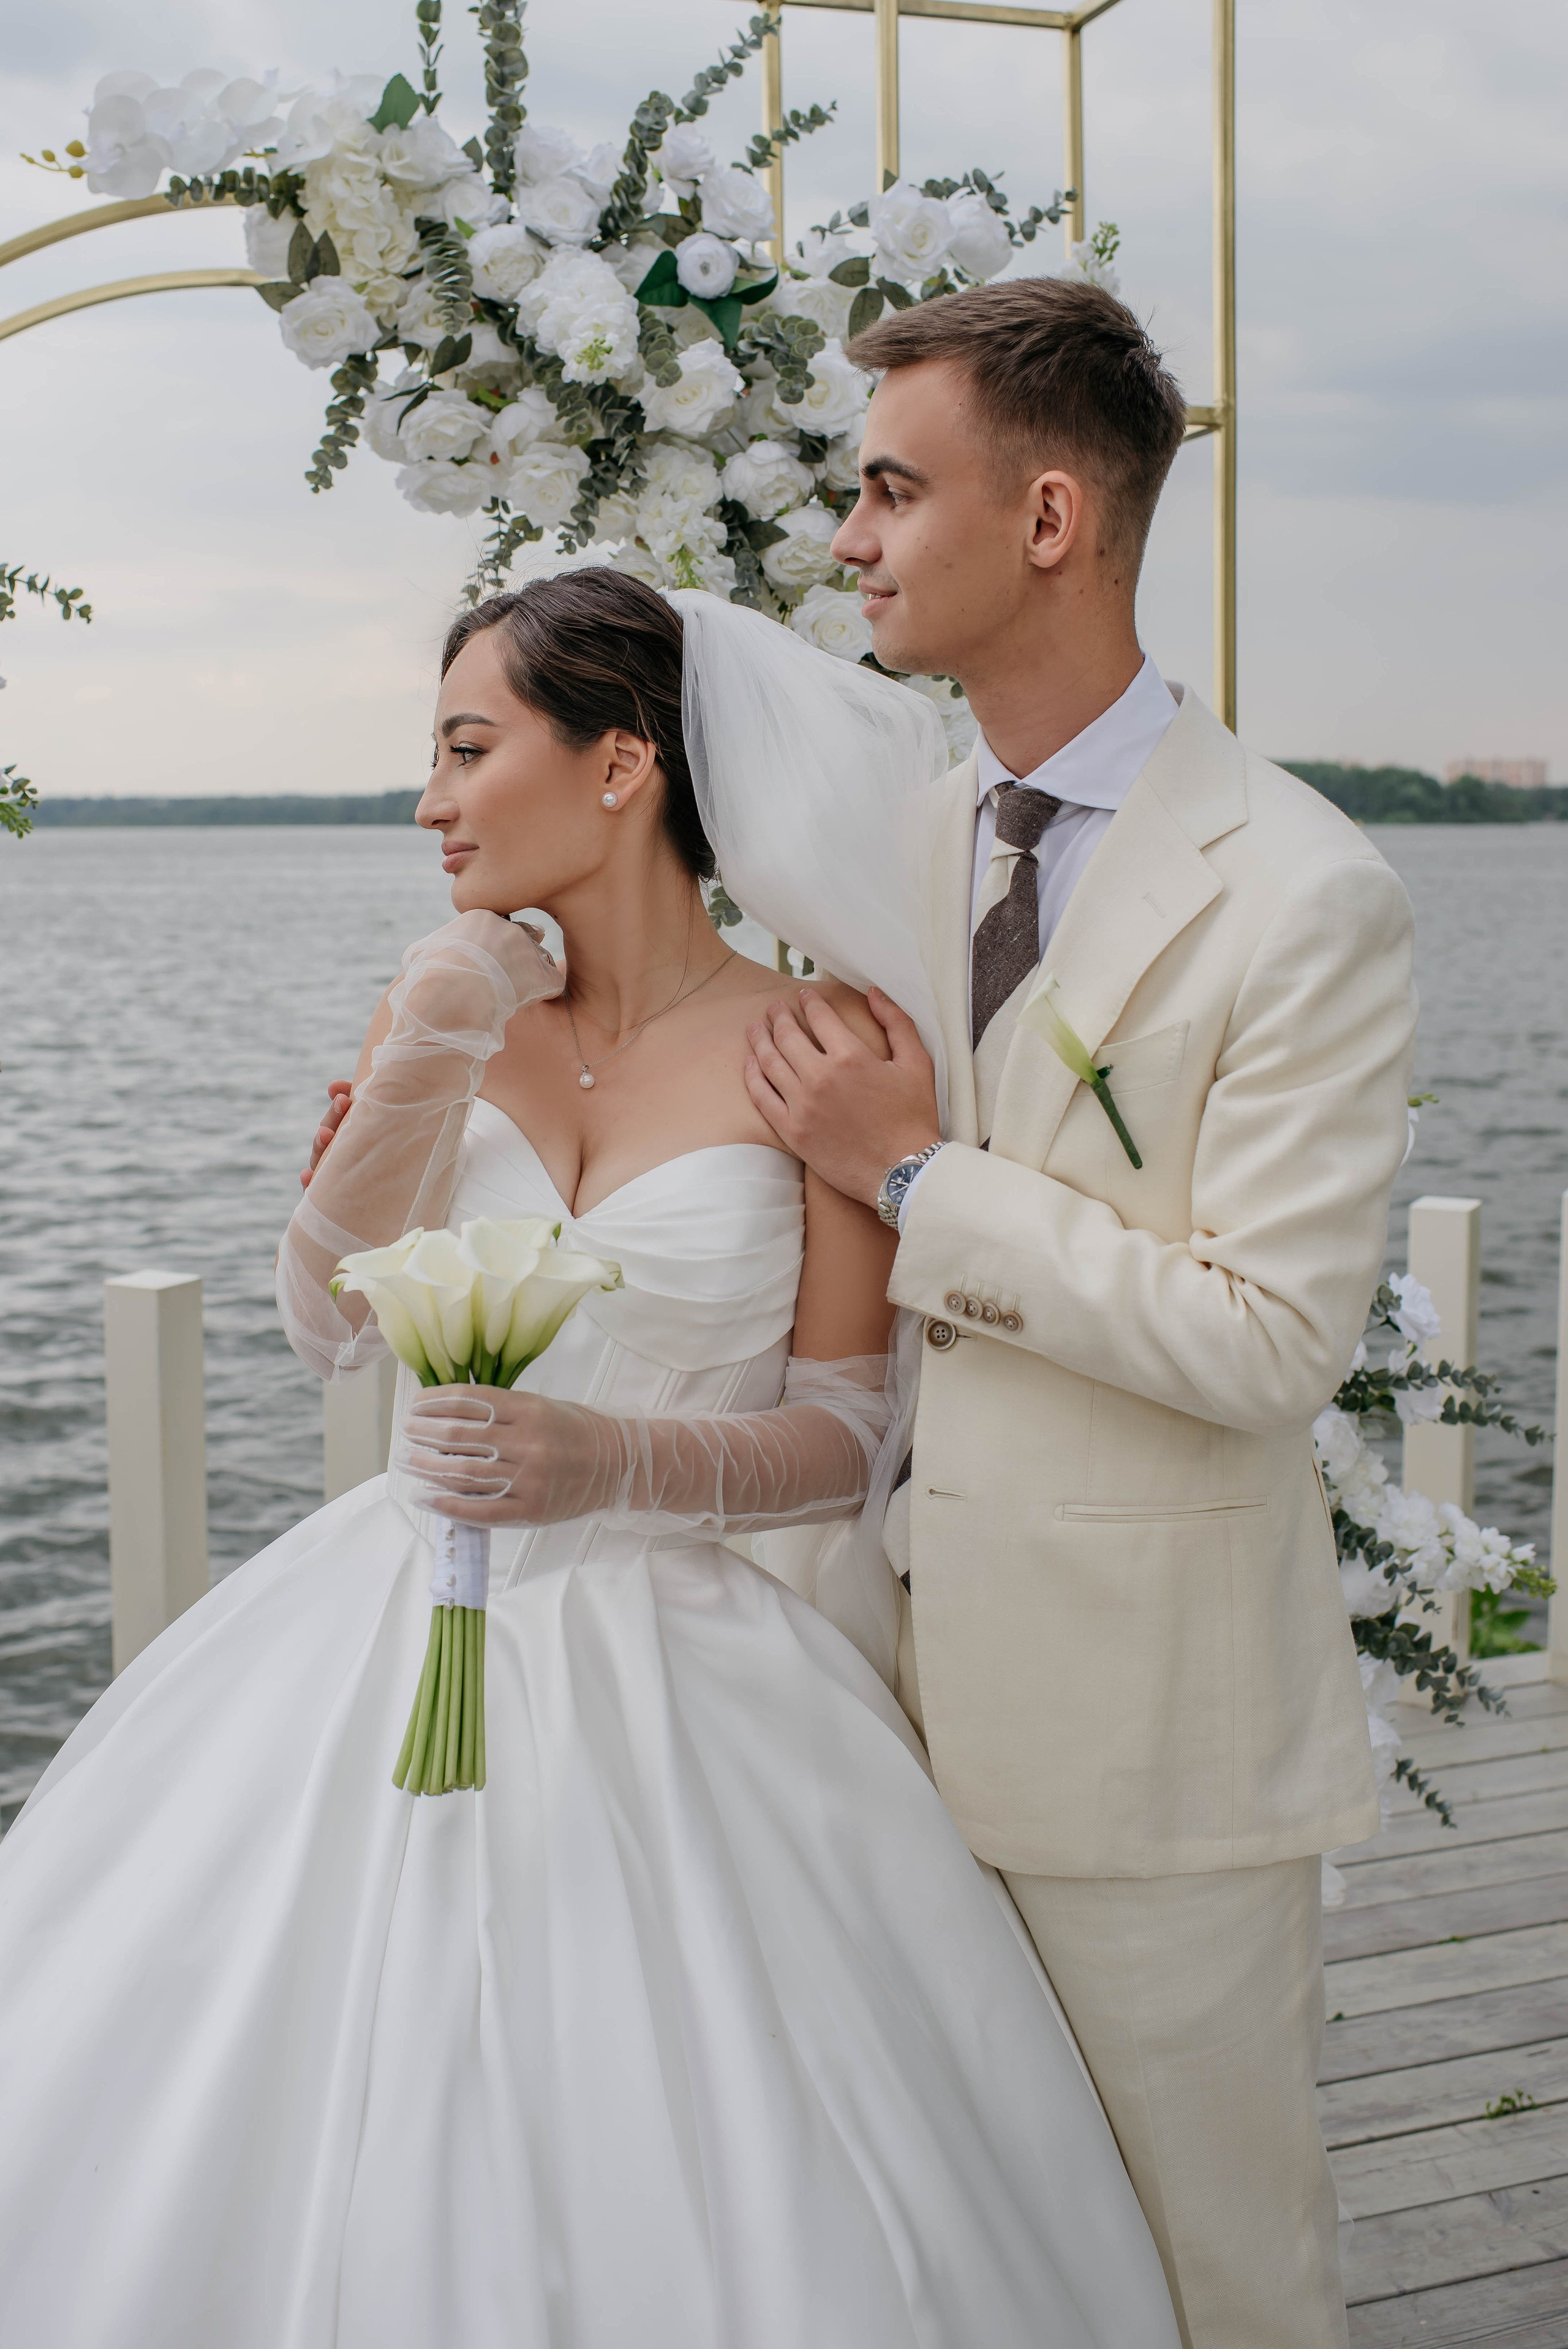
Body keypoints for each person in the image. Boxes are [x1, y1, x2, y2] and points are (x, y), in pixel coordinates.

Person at [0, 569, 1180, 2348]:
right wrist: (433, 1027)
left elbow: (849, 1434)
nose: (431, 801)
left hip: (680, 1670)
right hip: (377, 1628)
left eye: (469, 749)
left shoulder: (828, 1045)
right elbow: (325, 1322)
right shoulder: (465, 1021)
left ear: (623, 763)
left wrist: (600, 1453)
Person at [741, 279, 1417, 2347]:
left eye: (886, 486)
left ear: (1048, 521)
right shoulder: (914, 832)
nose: (848, 539)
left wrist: (923, 1181)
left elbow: (1270, 1341)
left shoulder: (1304, 891)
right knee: (981, 2265)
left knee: (1218, 2277)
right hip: (885, 1701)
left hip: (1153, 1750)